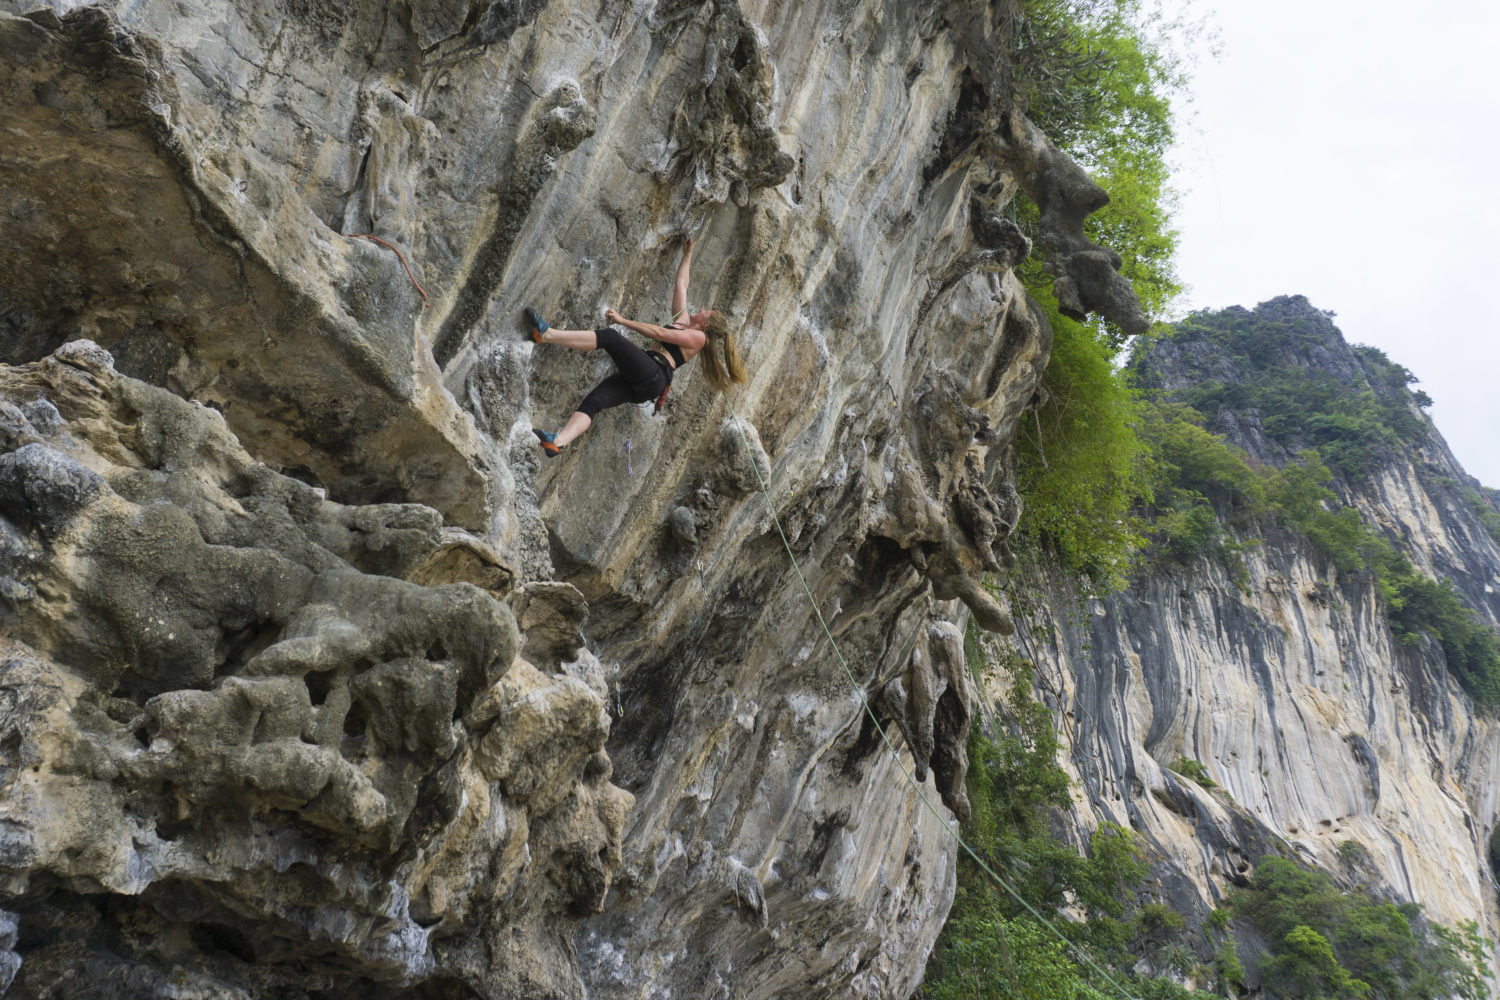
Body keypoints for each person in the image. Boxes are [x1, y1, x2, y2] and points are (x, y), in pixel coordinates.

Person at [525, 238, 747, 457]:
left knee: (610, 337)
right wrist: (687, 255)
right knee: (595, 400)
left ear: (707, 323)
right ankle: (558, 442)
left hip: (654, 374)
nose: (704, 310)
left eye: (708, 312)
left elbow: (660, 333)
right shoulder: (683, 320)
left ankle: (547, 334)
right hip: (644, 382)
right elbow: (682, 285)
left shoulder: (699, 338)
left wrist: (623, 321)